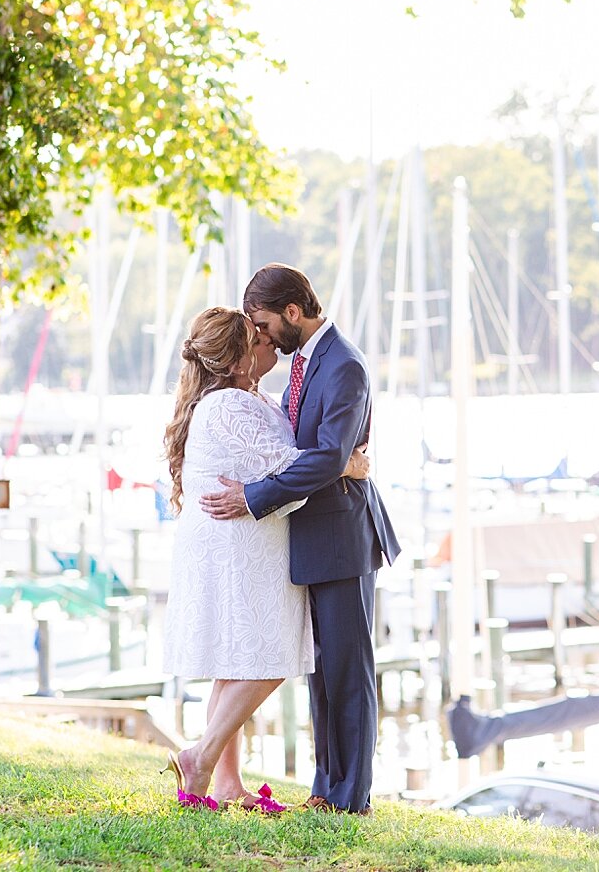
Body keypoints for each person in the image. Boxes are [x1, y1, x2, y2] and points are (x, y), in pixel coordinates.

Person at [202, 263, 400, 816]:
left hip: (342, 536)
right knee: (322, 675)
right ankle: (325, 788)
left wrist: (253, 496)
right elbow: (318, 454)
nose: (261, 336)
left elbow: (329, 457)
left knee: (348, 673)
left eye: (264, 324)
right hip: (309, 538)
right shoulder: (306, 363)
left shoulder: (344, 366)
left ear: (293, 312)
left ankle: (351, 798)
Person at [160, 305, 368, 811]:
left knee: (234, 665)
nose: (271, 343)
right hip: (246, 549)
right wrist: (348, 463)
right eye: (258, 339)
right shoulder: (234, 405)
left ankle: (227, 784)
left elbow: (276, 465)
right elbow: (292, 469)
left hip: (239, 546)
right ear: (237, 359)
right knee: (272, 657)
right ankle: (202, 756)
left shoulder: (240, 400)